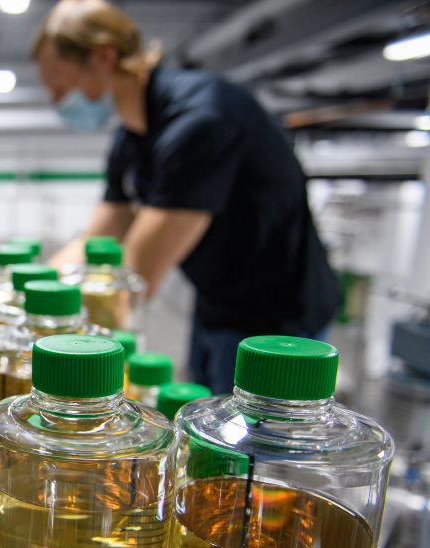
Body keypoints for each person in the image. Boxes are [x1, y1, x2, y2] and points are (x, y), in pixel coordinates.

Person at [34, 0, 339, 394]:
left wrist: (46, 331)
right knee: (207, 426)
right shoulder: (131, 137)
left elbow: (134, 279)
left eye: (60, 88)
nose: (58, 104)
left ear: (103, 57)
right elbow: (97, 242)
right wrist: (23, 291)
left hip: (276, 324)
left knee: (246, 447)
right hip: (216, 301)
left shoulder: (201, 121)